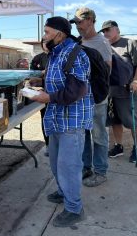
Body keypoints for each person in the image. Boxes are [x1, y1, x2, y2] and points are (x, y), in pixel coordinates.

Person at [32, 16, 93, 227]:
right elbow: (58, 81)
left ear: (60, 34)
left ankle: (74, 209)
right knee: (56, 160)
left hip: (72, 120)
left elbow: (76, 90)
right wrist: (39, 83)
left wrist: (47, 97)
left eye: (47, 32)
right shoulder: (57, 53)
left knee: (69, 166)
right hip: (57, 117)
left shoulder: (76, 54)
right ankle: (63, 191)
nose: (44, 36)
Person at [70, 7, 112, 187]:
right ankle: (86, 167)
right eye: (76, 23)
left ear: (90, 20)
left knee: (99, 135)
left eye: (80, 22)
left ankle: (101, 171)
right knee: (85, 134)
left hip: (96, 98)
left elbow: (107, 71)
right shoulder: (79, 41)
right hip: (82, 98)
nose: (77, 26)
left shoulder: (101, 42)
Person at [101, 20, 137, 163]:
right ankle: (118, 146)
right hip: (110, 91)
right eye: (104, 31)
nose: (105, 33)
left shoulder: (129, 43)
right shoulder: (103, 46)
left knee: (132, 121)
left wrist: (136, 80)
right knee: (114, 121)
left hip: (127, 90)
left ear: (117, 30)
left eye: (108, 30)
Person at [30, 38, 49, 156]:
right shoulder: (38, 57)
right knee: (45, 119)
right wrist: (41, 73)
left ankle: (57, 145)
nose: (46, 44)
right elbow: (32, 72)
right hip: (43, 92)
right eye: (44, 42)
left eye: (48, 41)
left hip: (57, 94)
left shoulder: (58, 56)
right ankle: (48, 145)